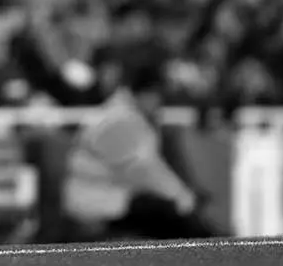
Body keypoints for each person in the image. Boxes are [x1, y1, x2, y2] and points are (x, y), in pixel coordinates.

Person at [62, 52, 221, 240]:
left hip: (105, 194)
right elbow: (145, 171)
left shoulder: (121, 114)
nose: (159, 105)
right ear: (148, 94)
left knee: (163, 211)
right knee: (171, 215)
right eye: (158, 98)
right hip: (94, 201)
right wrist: (183, 199)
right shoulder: (121, 120)